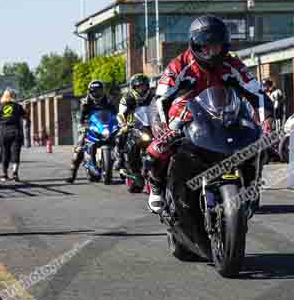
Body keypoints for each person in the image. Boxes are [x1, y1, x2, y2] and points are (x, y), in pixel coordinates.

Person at [145, 15, 273, 213]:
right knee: (158, 149)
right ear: (195, 45)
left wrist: (267, 122)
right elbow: (160, 98)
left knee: (260, 143)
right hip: (186, 115)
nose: (212, 51)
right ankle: (155, 186)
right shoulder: (178, 65)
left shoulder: (233, 64)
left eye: (217, 45)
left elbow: (257, 93)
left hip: (225, 113)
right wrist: (160, 126)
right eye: (206, 46)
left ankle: (251, 185)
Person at [65, 80, 115, 183]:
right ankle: (72, 172)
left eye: (99, 91)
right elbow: (81, 118)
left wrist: (116, 123)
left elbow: (114, 114)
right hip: (90, 126)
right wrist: (82, 126)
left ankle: (124, 167)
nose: (97, 94)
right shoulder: (85, 102)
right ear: (90, 92)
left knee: (120, 138)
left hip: (104, 127)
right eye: (94, 91)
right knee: (80, 146)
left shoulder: (108, 101)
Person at [115, 73, 154, 171]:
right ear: (133, 87)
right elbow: (120, 114)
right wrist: (124, 125)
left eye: (144, 86)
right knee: (120, 135)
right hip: (134, 127)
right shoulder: (128, 98)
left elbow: (159, 110)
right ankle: (120, 158)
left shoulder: (153, 97)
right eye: (139, 86)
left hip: (152, 126)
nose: (142, 88)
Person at [0, 89, 29, 181]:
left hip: (4, 132)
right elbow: (26, 117)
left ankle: (4, 175)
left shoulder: (0, 107)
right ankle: (15, 174)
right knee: (15, 152)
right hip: (16, 131)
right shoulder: (18, 106)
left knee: (5, 153)